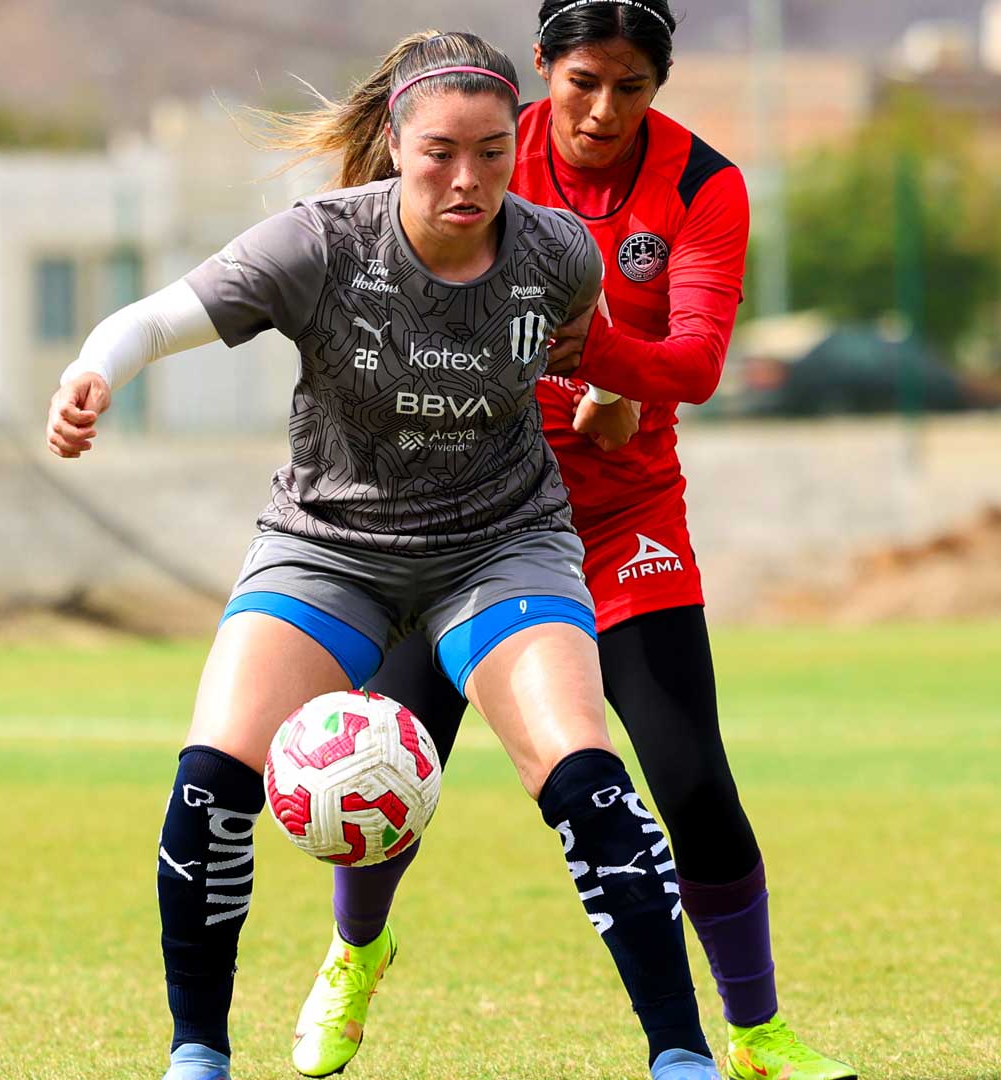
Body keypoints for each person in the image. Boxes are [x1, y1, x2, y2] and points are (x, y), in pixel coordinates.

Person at [44, 29, 723, 1080]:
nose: (469, 179)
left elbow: (586, 351)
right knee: (208, 781)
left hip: (501, 544)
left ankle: (683, 1057)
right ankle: (198, 1055)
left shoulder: (556, 253)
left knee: (587, 776)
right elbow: (155, 319)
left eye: (494, 152)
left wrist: (609, 398)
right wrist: (95, 369)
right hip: (330, 548)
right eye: (441, 152)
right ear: (395, 144)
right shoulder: (317, 245)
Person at [295, 5, 860, 1080]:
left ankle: (754, 1032)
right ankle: (354, 955)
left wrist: (606, 364)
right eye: (583, 80)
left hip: (620, 516)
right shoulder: (481, 147)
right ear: (541, 69)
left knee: (692, 783)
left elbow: (692, 362)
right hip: (463, 512)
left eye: (632, 86)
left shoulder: (702, 186)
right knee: (389, 764)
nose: (604, 110)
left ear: (661, 85)